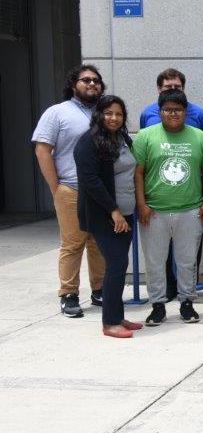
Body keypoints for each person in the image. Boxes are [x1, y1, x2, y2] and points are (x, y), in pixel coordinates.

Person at [133, 89, 203, 326]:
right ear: (159, 112)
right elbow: (138, 173)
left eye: (178, 110)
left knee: (187, 260)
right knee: (155, 261)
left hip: (190, 209)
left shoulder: (199, 137)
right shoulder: (146, 136)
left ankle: (187, 303)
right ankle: (157, 305)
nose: (173, 114)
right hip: (154, 210)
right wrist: (141, 204)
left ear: (185, 112)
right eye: (168, 110)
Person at [32, 64, 106, 317]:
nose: (92, 84)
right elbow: (42, 150)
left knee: (98, 242)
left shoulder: (105, 112)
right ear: (74, 84)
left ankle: (100, 290)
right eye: (86, 80)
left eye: (96, 80)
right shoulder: (57, 113)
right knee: (73, 244)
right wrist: (56, 187)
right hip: (71, 189)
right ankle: (69, 294)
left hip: (100, 191)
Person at [73, 95, 141, 337]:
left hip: (127, 212)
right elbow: (90, 181)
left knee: (119, 264)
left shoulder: (121, 137)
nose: (114, 118)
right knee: (116, 264)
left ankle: (117, 316)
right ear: (99, 114)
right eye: (108, 113)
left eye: (119, 114)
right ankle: (109, 323)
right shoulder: (88, 142)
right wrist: (114, 211)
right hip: (105, 215)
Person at [138, 68, 203, 136]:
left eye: (177, 87)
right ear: (159, 89)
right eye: (168, 87)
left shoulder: (199, 114)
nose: (173, 89)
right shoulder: (147, 113)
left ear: (183, 88)